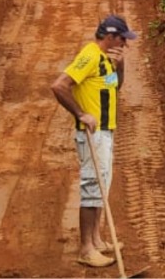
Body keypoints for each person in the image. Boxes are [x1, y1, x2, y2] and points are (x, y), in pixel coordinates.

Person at [50, 14, 136, 268]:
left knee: (102, 185)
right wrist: (81, 114)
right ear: (109, 37)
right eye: (122, 39)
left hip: (106, 132)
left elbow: (114, 86)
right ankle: (86, 249)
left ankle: (97, 241)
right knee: (92, 186)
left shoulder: (106, 61)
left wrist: (120, 66)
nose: (125, 44)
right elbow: (59, 86)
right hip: (93, 134)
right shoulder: (89, 55)